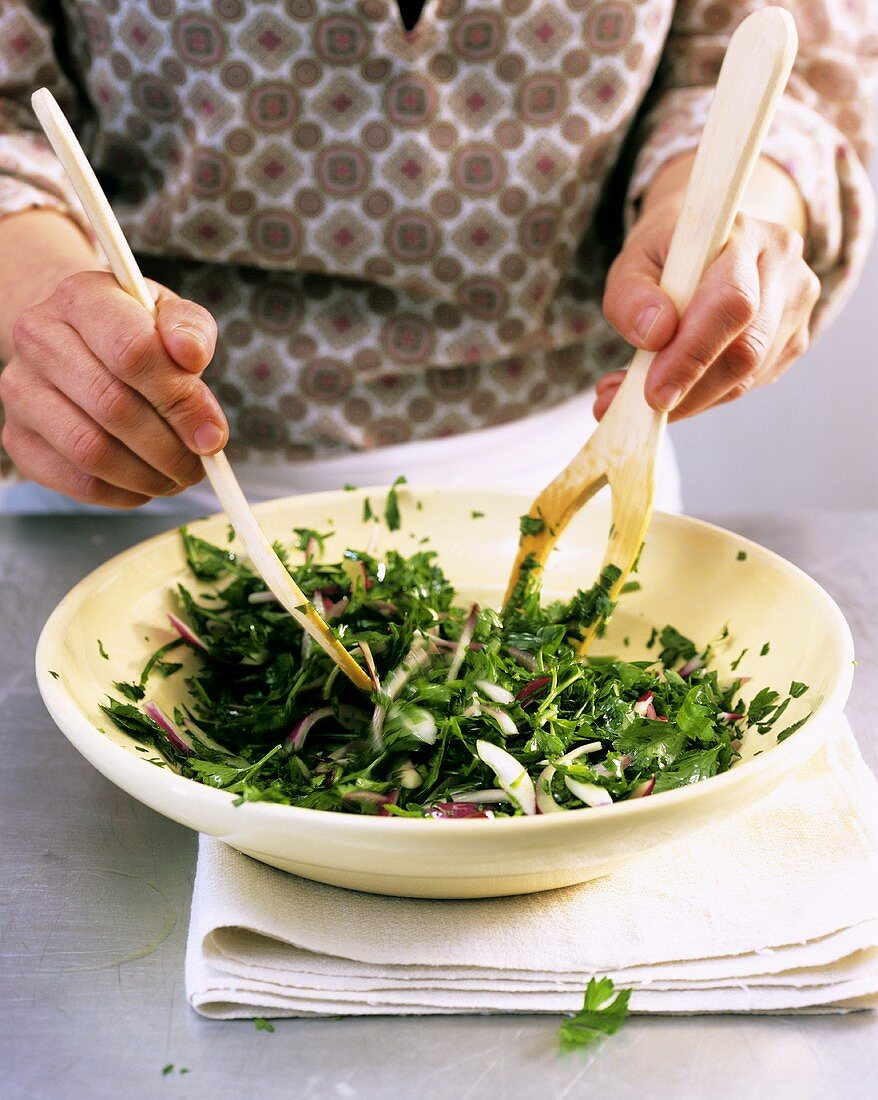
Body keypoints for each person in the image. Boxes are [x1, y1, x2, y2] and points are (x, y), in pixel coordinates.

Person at [0, 0, 874, 514]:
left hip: (568, 470)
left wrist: (720, 213)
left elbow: (771, 52)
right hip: (127, 471)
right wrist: (46, 300)